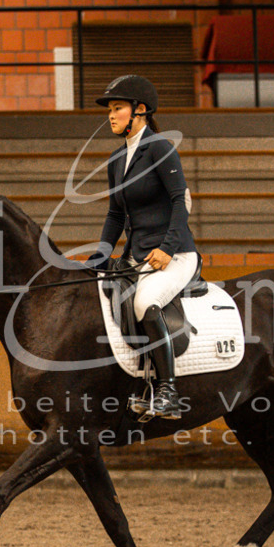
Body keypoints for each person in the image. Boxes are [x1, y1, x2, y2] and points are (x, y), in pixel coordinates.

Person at [88, 75, 199, 420]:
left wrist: (168, 247)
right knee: (111, 297)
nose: (111, 115)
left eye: (118, 108)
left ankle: (169, 391)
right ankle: (144, 382)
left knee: (146, 302)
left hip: (174, 255)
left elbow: (179, 201)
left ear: (140, 110)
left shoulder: (160, 147)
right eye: (110, 109)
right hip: (137, 257)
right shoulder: (117, 160)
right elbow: (115, 213)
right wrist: (101, 254)